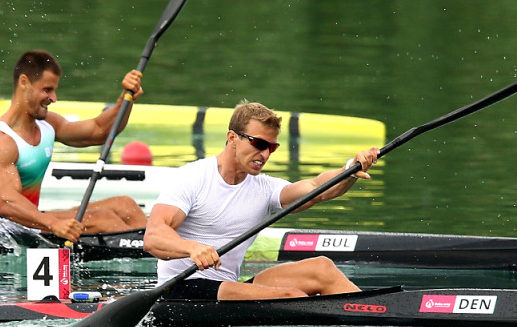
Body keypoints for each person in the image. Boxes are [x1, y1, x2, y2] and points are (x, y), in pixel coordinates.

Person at [144, 100, 380, 300]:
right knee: (291, 296)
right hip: (180, 289)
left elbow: (317, 189)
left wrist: (350, 170)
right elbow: (153, 237)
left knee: (322, 268)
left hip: (227, 288)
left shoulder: (264, 188)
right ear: (232, 138)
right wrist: (192, 248)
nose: (265, 154)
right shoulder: (192, 178)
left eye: (272, 147)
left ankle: (376, 311)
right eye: (259, 144)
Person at [0, 50, 148, 243]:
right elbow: (7, 204)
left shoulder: (47, 124)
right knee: (104, 220)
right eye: (47, 90)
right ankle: (145, 252)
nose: (54, 98)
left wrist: (125, 99)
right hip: (1, 232)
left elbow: (99, 131)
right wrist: (54, 224)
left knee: (125, 206)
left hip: (32, 221)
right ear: (24, 82)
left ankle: (153, 247)